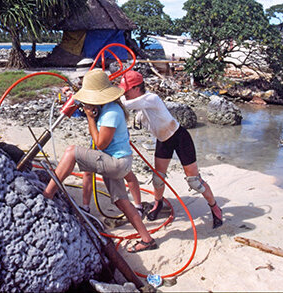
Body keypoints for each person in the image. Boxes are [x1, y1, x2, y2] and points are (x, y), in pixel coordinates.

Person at [43, 69, 157, 253]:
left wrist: (89, 117)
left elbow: (100, 144)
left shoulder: (111, 113)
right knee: (121, 201)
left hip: (116, 162)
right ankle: (147, 239)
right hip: (120, 161)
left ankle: (47, 194)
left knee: (71, 152)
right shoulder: (108, 107)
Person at [119, 70, 223, 229]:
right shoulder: (140, 109)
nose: (124, 94)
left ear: (136, 88)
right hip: (163, 141)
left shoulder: (152, 98)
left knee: (195, 181)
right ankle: (158, 204)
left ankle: (215, 208)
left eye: (126, 91)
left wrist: (108, 97)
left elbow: (123, 104)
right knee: (157, 178)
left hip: (180, 138)